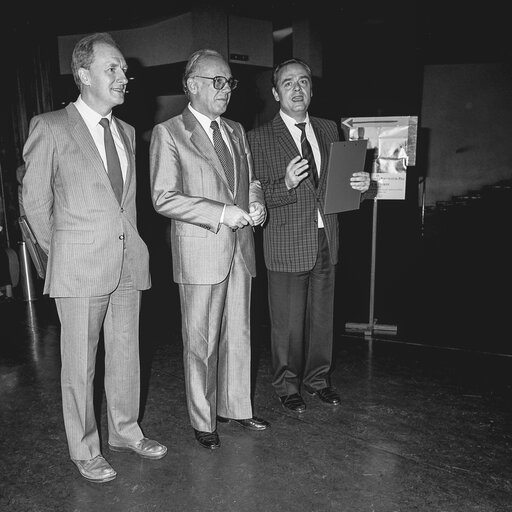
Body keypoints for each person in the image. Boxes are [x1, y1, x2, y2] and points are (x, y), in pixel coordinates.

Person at [22, 32, 167, 484]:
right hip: (79, 266)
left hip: (127, 263)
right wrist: (61, 255)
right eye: (114, 69)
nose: (124, 77)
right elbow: (32, 203)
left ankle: (125, 432)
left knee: (126, 355)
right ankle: (85, 449)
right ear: (84, 75)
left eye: (125, 70)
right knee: (80, 365)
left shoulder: (126, 131)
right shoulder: (50, 126)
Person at [149, 49, 270, 450]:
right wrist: (221, 212)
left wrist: (256, 202)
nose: (226, 89)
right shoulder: (170, 133)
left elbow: (250, 180)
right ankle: (203, 420)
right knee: (200, 341)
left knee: (240, 333)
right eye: (216, 81)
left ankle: (236, 407)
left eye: (229, 81)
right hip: (202, 250)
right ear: (192, 85)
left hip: (241, 247)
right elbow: (163, 197)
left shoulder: (235, 129)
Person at [247, 58, 370, 414]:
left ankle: (318, 380)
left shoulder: (329, 129)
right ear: (275, 93)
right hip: (286, 242)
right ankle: (287, 385)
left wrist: (363, 187)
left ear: (312, 89)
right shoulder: (258, 138)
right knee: (286, 323)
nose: (297, 89)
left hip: (326, 237)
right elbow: (253, 194)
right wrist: (284, 183)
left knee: (322, 318)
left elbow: (338, 186)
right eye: (288, 83)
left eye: (303, 82)